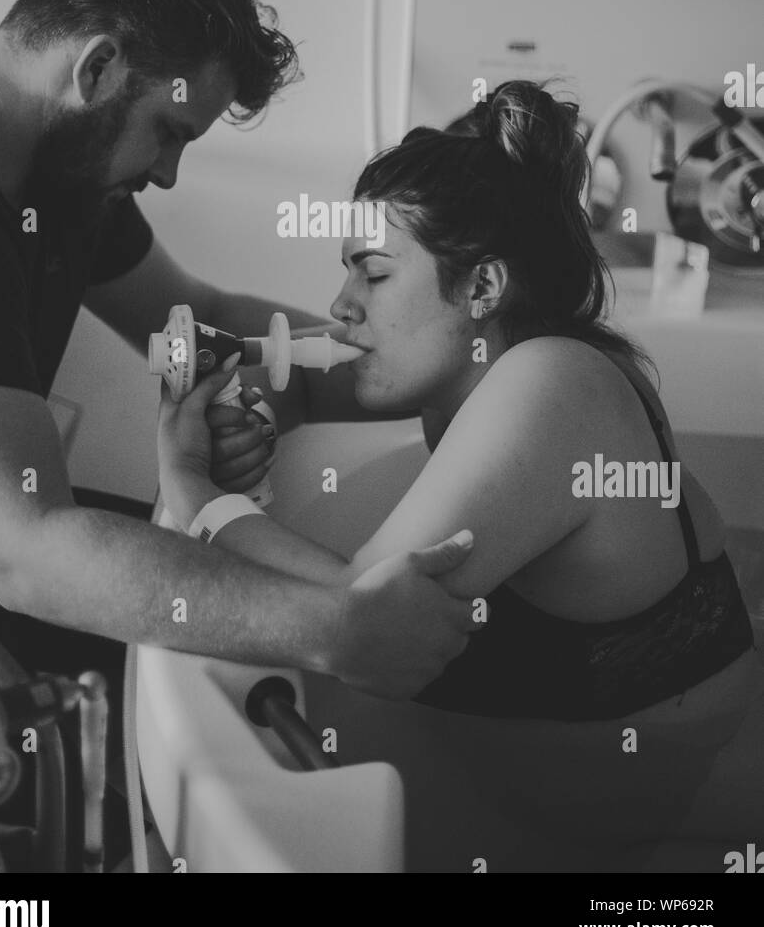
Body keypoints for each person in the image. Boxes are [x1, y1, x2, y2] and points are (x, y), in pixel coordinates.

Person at [0, 0, 474, 870]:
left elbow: (201, 315)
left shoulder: (59, 170)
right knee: (207, 670)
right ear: (96, 69)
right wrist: (337, 633)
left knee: (217, 640)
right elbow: (28, 556)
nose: (167, 173)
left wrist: (410, 355)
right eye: (168, 132)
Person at [170, 80, 764, 871]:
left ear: (483, 286)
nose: (341, 307)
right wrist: (246, 422)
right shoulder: (483, 359)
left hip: (687, 811)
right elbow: (303, 377)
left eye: (373, 275)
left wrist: (193, 491)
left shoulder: (551, 384)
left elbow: (354, 617)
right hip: (582, 778)